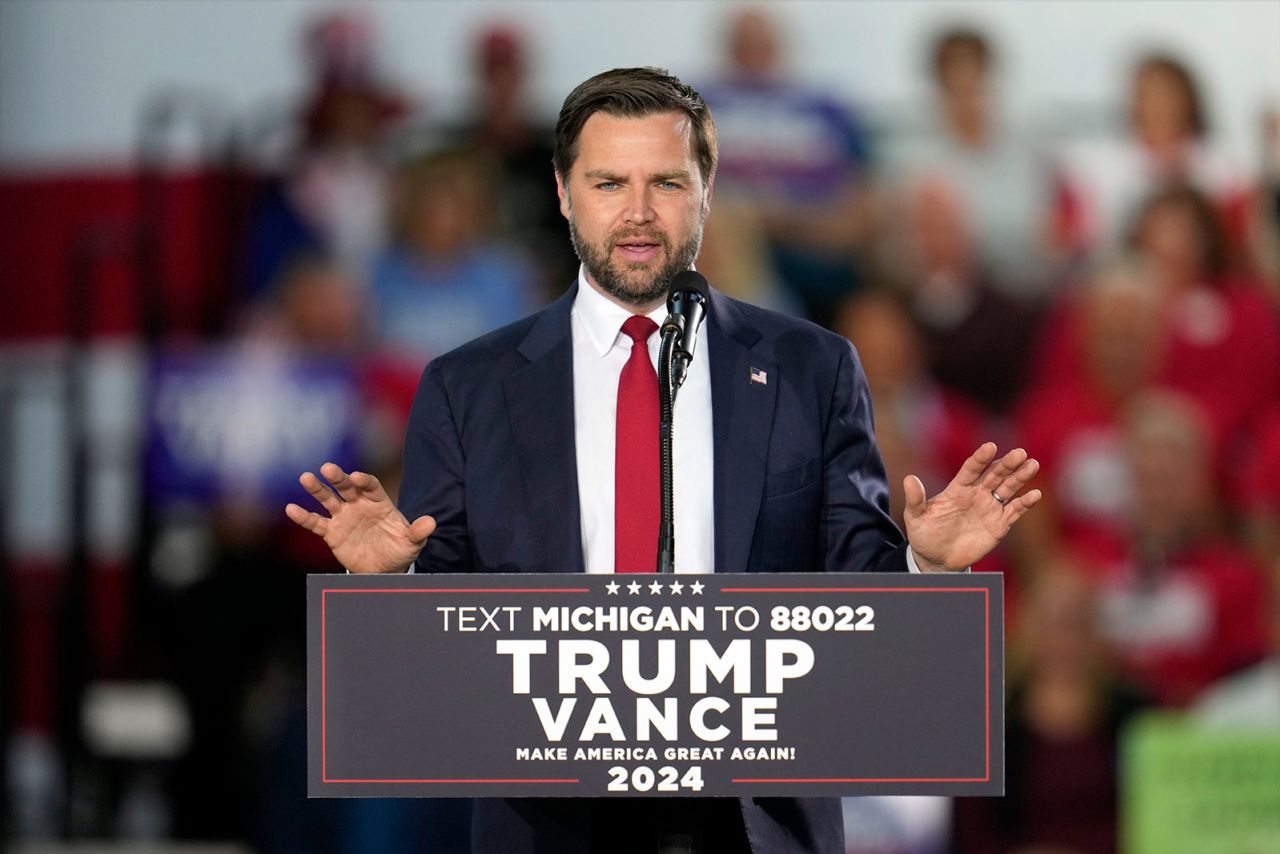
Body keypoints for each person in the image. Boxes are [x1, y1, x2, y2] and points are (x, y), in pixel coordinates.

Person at [285, 67, 1041, 854]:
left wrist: (925, 568)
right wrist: (390, 583)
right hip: (550, 820)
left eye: (667, 183)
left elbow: (853, 600)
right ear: (563, 192)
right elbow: (449, 637)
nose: (639, 213)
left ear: (707, 191)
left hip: (755, 818)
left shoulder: (811, 369)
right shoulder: (470, 385)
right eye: (609, 182)